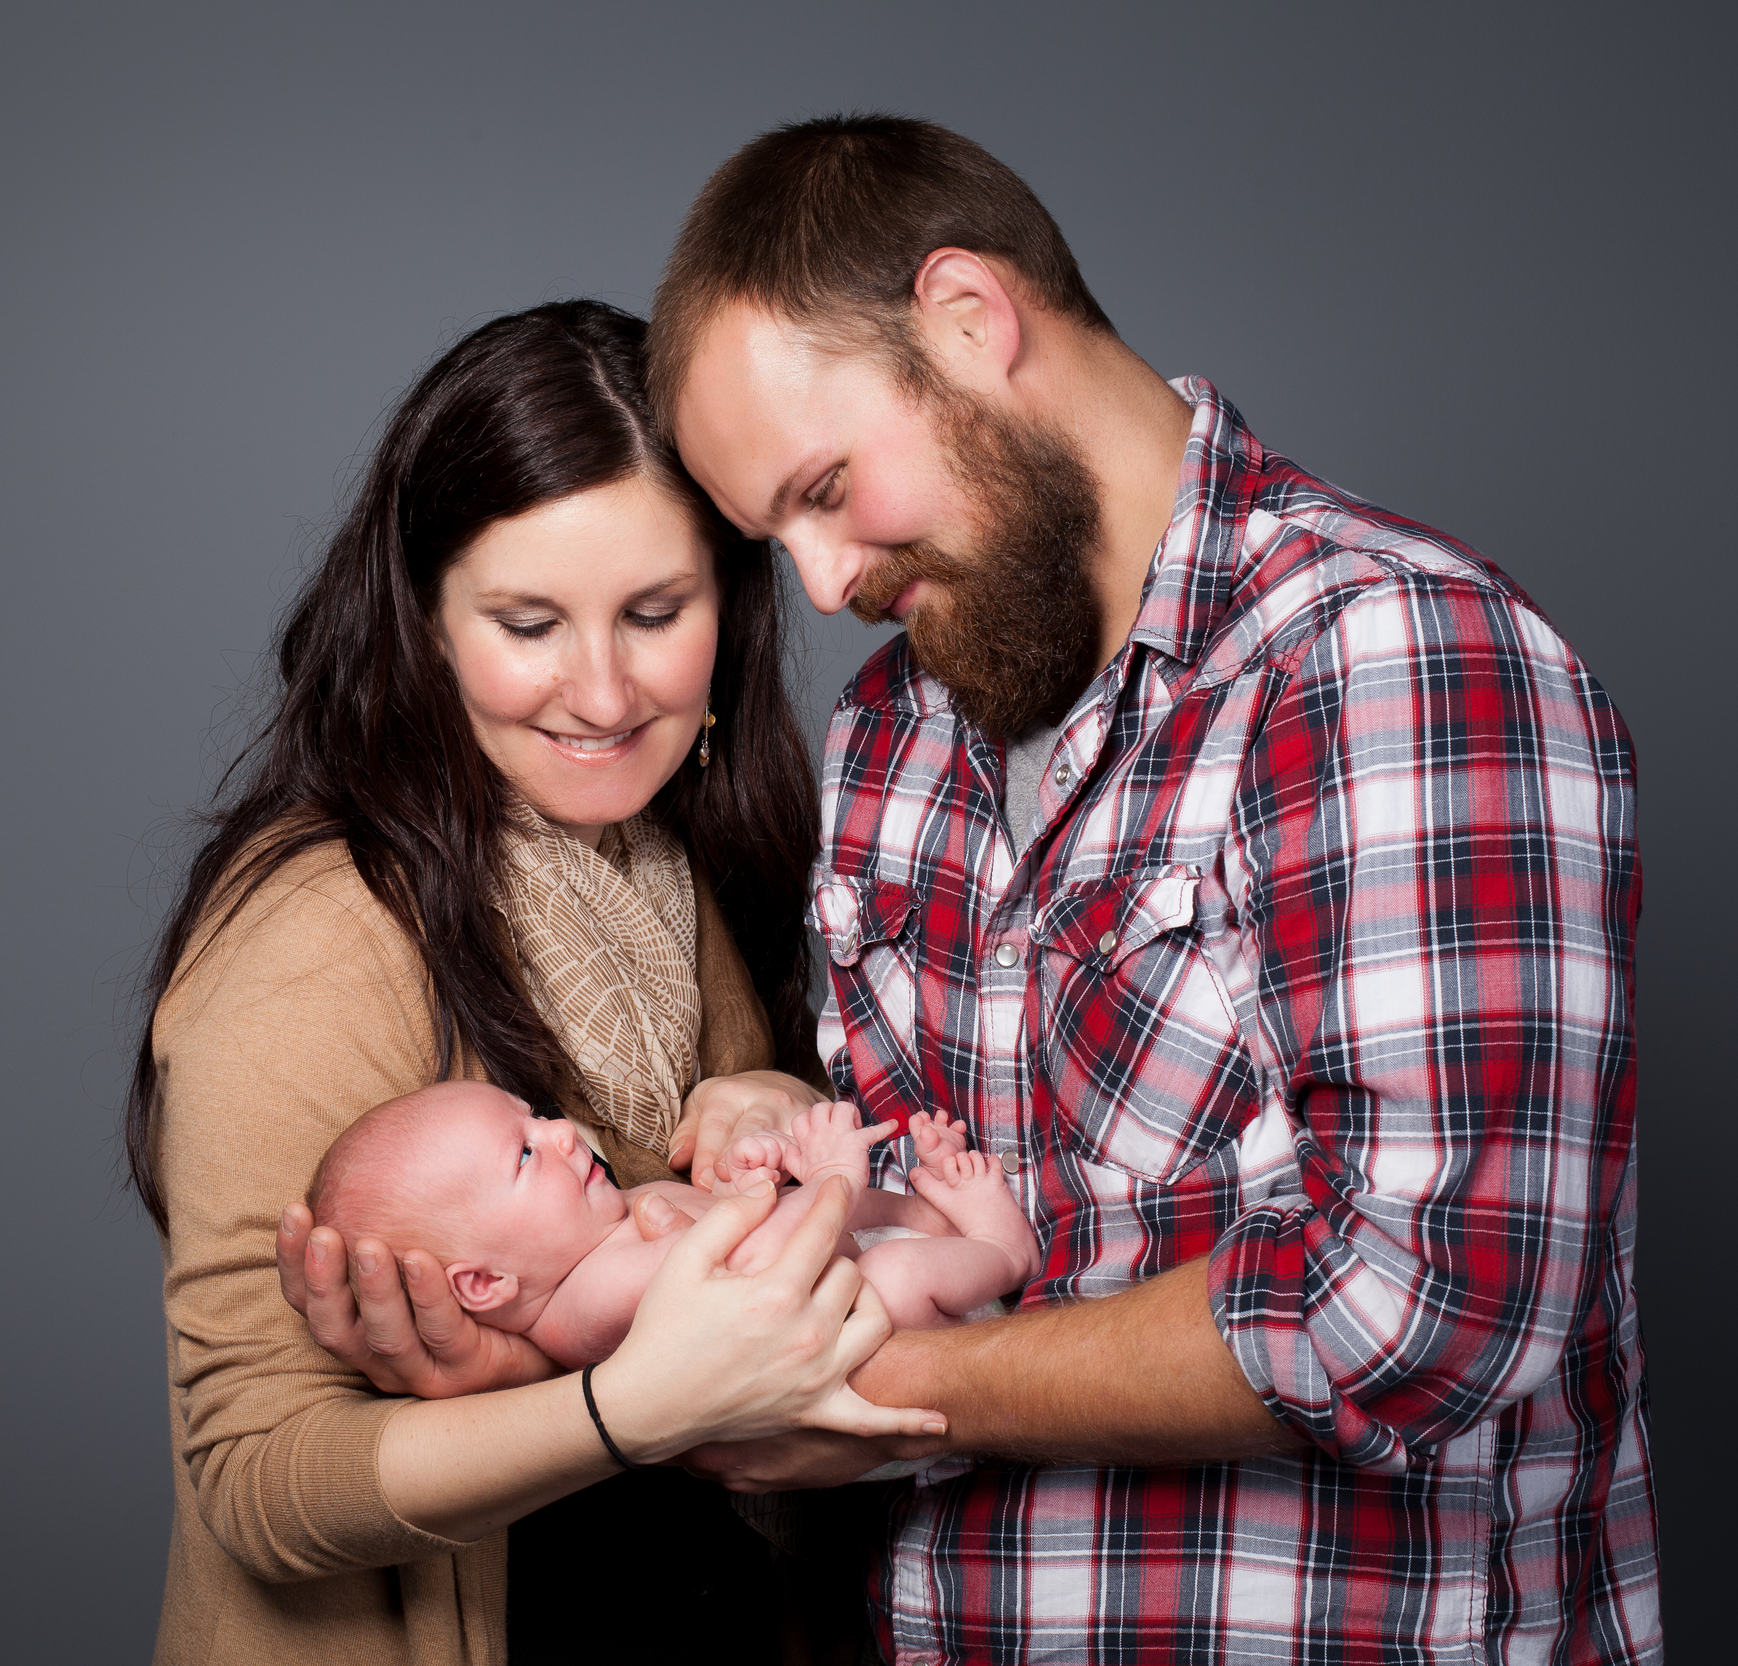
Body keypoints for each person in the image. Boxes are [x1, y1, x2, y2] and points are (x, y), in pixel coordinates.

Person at [641, 116, 1659, 1662]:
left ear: (972, 322)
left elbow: (1418, 1305)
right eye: (773, 535)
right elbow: (910, 1237)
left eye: (827, 488)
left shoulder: (1387, 657)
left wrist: (883, 1394)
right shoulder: (886, 743)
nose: (823, 586)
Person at [125, 299, 937, 1666]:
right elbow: (260, 1481)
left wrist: (765, 1092)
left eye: (654, 611)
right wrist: (625, 1403)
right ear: (429, 625)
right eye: (528, 621)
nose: (605, 689)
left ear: (727, 611)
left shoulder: (673, 863)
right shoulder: (321, 931)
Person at [310, 1083, 1039, 1366]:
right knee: (891, 1276)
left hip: (839, 1263)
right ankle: (1002, 1252)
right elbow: (766, 1268)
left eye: (534, 1114)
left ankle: (934, 1208)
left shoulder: (610, 1224)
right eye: (526, 1153)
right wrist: (830, 1178)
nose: (563, 1132)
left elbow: (745, 1214)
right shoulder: (589, 1301)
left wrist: (764, 1166)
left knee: (873, 1232)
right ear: (482, 1282)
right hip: (891, 1351)